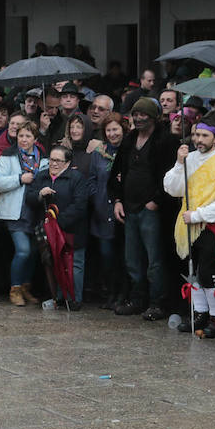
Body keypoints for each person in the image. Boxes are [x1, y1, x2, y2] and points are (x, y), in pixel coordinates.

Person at [163, 112, 215, 338]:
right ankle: (200, 314)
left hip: (209, 225)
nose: (198, 140)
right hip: (186, 225)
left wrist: (197, 215)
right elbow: (172, 188)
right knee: (192, 272)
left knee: (207, 273)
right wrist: (179, 163)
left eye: (204, 135)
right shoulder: (190, 157)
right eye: (196, 135)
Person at [108, 97, 177, 320]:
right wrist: (117, 200)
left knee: (154, 260)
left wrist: (156, 200)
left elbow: (169, 176)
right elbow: (117, 172)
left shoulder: (165, 141)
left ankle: (158, 303)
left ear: (153, 117)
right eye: (135, 114)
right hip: (129, 208)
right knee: (132, 259)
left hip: (151, 209)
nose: (138, 118)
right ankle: (137, 299)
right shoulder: (129, 139)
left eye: (143, 115)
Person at [25, 145, 89, 308]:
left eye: (58, 161)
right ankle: (59, 297)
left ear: (67, 162)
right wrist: (40, 194)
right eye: (51, 160)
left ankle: (75, 299)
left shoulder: (77, 178)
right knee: (54, 263)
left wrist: (57, 222)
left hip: (71, 230)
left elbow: (80, 205)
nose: (53, 164)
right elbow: (29, 198)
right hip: (48, 231)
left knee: (74, 265)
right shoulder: (42, 176)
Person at [0, 121, 47, 306]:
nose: (24, 139)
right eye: (21, 135)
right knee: (22, 251)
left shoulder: (44, 158)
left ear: (35, 139)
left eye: (28, 136)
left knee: (32, 252)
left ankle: (26, 287)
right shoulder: (8, 156)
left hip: (36, 210)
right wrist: (19, 179)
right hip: (15, 211)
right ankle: (14, 288)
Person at [88, 113, 127, 309]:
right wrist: (96, 198)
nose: (112, 134)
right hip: (102, 210)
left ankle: (123, 294)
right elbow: (92, 178)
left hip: (123, 211)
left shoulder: (128, 150)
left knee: (123, 256)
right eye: (109, 130)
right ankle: (110, 292)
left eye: (115, 129)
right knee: (106, 256)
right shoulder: (99, 153)